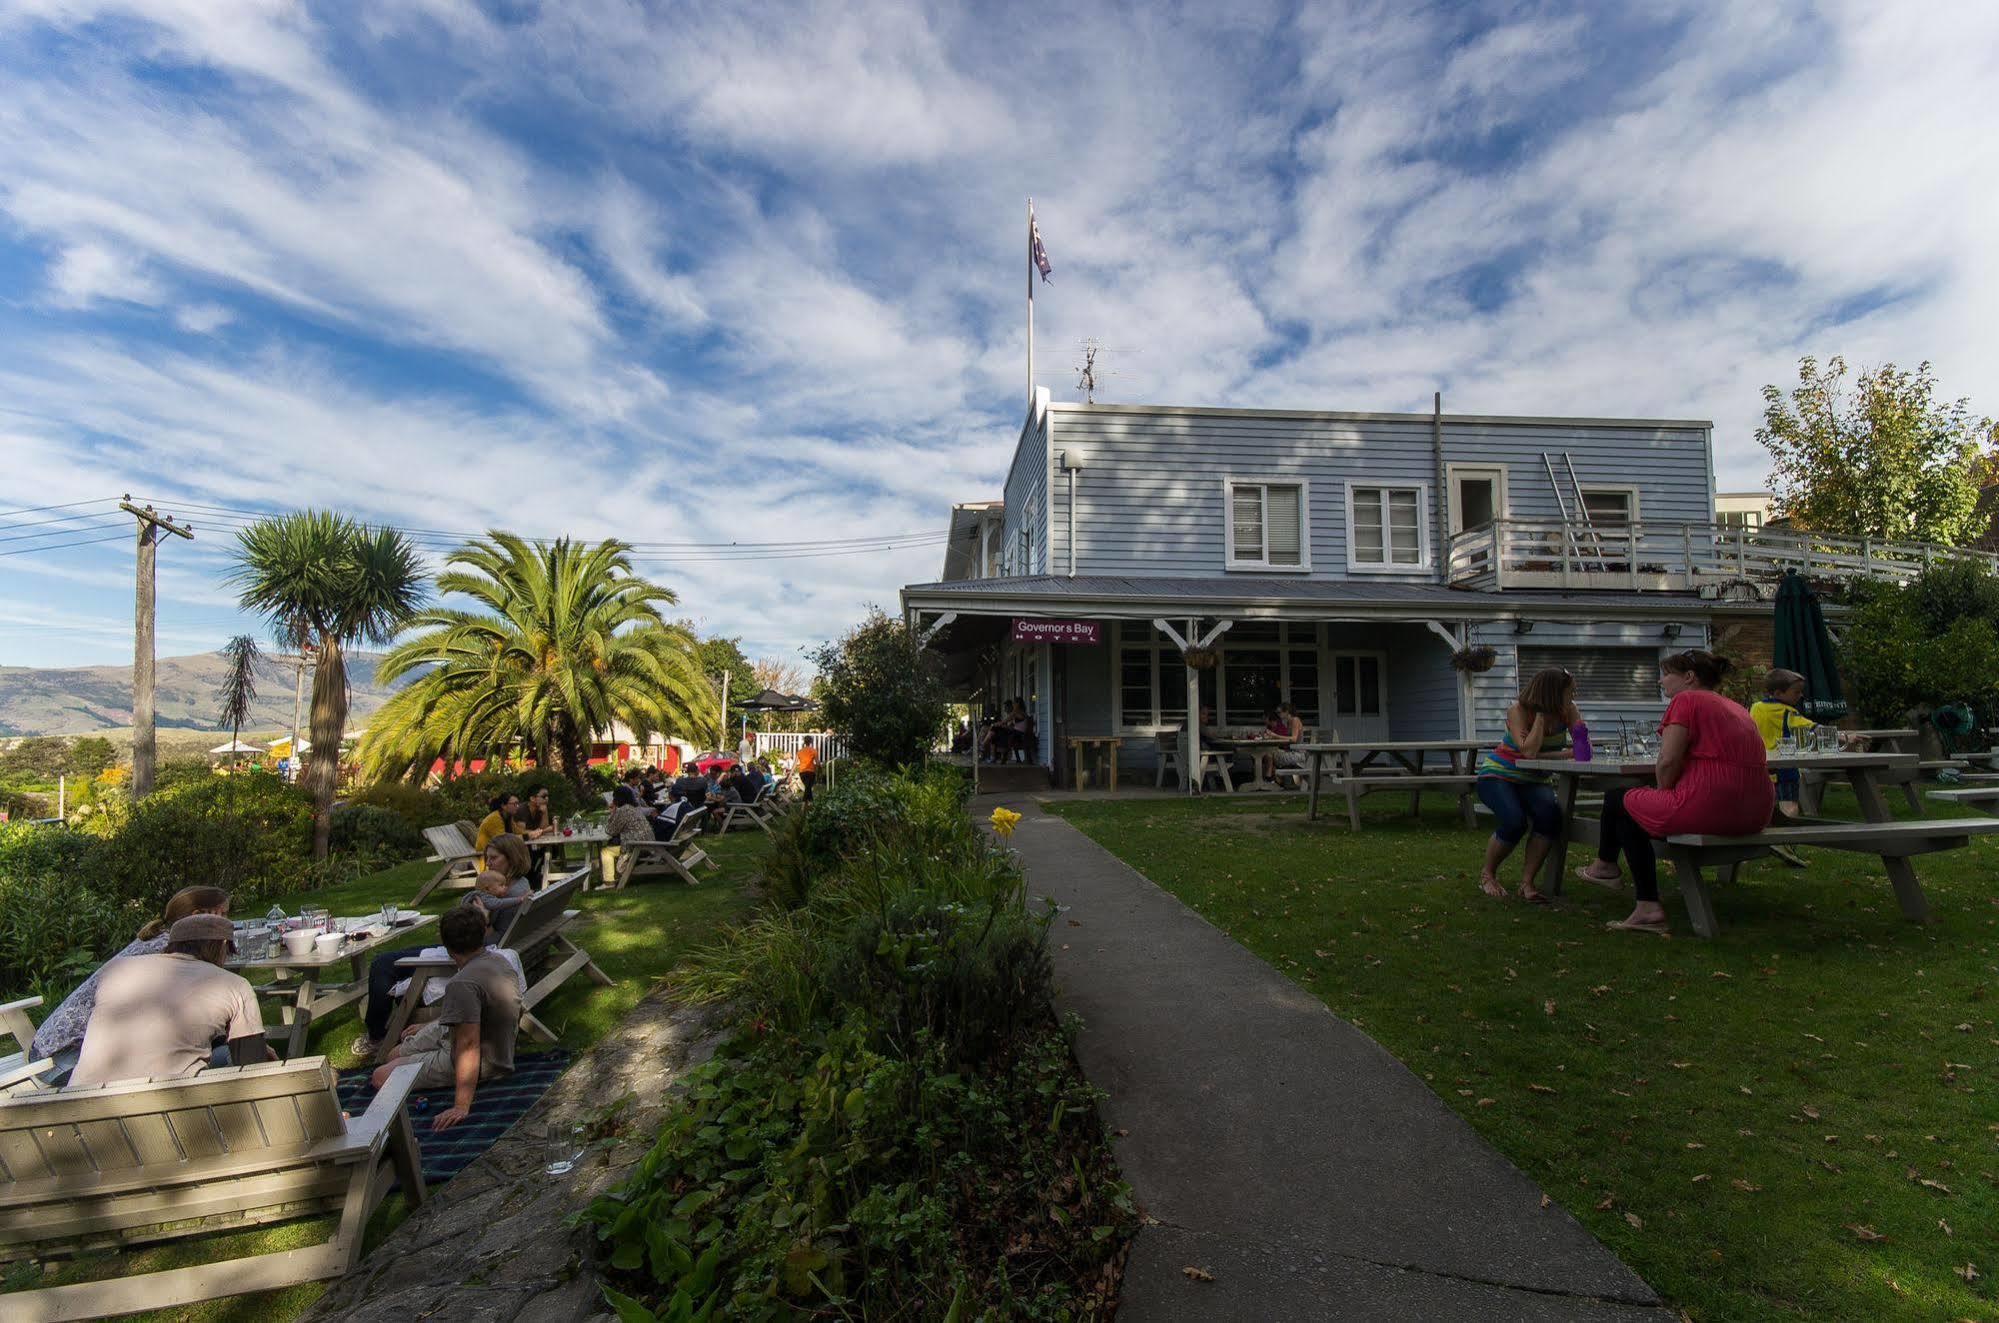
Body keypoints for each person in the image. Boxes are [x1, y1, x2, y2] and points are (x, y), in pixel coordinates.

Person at [1577, 650, 1773, 935]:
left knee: (1621, 800)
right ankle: (1605, 868)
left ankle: (1637, 898)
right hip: (1755, 812)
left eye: (1666, 674)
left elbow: (1668, 760)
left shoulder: (1686, 700)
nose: (1660, 682)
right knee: (1631, 803)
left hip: (1710, 808)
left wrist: (1662, 792)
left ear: (1689, 677)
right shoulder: (1736, 707)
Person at [351, 833, 532, 1057]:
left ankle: (377, 1037)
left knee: (382, 964)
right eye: (487, 857)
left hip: (465, 955)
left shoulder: (505, 898)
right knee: (393, 960)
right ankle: (392, 1018)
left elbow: (485, 944)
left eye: (494, 858)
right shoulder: (519, 886)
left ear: (512, 859)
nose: (488, 863)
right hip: (475, 951)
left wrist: (481, 920)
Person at [31, 885, 232, 1074]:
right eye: (222, 915)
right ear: (197, 916)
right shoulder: (169, 952)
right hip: (63, 1057)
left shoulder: (161, 939)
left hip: (52, 1046)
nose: (228, 923)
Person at [69, 915, 268, 1087]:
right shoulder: (235, 984)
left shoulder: (116, 969)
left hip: (78, 1104)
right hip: (168, 1110)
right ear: (223, 945)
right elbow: (251, 1069)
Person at [370, 907, 522, 1131]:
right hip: (472, 1036)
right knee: (393, 1053)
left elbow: (468, 1045)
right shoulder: (499, 961)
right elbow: (476, 1012)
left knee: (380, 1076)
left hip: (484, 1059)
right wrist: (432, 1024)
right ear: (483, 934)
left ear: (447, 947)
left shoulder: (462, 984)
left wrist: (461, 1106)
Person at [1474, 668, 1578, 904]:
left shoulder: (1569, 711)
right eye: (1570, 692)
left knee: (1550, 817)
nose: (1573, 697)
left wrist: (1559, 753)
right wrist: (1541, 719)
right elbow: (1529, 752)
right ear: (1553, 693)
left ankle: (1527, 883)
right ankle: (1487, 875)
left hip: (1534, 779)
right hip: (1498, 775)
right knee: (1514, 821)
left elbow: (1583, 748)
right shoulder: (1518, 710)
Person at [796, 735, 820, 802]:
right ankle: (806, 802)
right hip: (811, 772)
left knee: (808, 787)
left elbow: (795, 764)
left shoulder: (800, 751)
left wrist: (789, 775)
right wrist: (820, 768)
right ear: (811, 742)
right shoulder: (813, 751)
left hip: (802, 773)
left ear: (804, 742)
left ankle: (808, 803)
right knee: (808, 787)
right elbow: (817, 763)